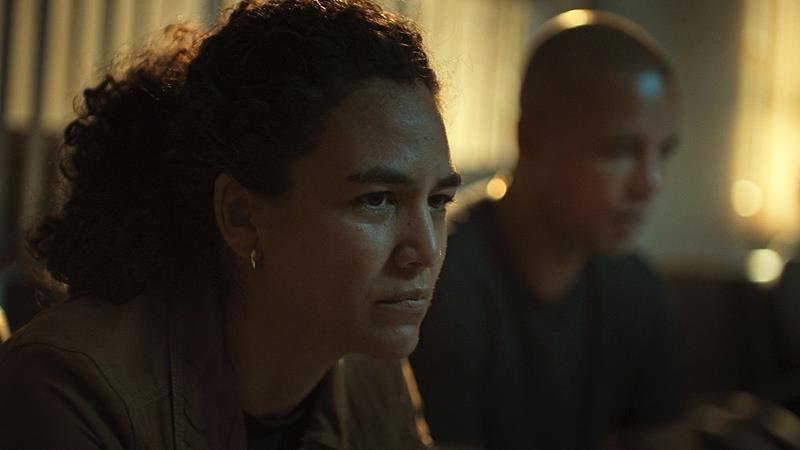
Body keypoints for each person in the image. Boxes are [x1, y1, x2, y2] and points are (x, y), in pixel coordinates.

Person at [0, 1, 461, 449]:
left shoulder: (367, 367)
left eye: (438, 201)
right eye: (376, 200)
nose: (425, 250)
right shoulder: (71, 388)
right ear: (242, 216)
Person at [411, 9, 694, 450]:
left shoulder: (638, 290)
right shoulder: (440, 283)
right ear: (531, 140)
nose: (650, 183)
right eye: (621, 150)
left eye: (663, 152)